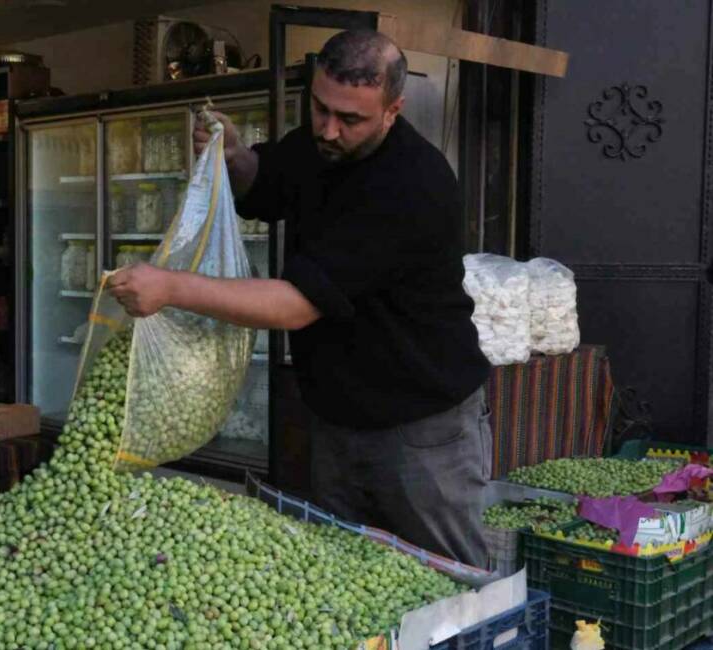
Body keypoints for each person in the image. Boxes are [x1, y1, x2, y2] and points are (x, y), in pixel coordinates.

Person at [106, 28, 493, 568]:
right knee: (341, 574)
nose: (329, 129)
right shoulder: (319, 147)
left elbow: (295, 304)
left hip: (420, 429)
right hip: (336, 417)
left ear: (392, 109)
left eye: (351, 119)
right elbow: (269, 181)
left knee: (446, 581)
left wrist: (171, 288)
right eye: (320, 108)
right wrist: (236, 154)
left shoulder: (412, 184)